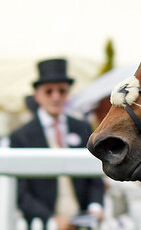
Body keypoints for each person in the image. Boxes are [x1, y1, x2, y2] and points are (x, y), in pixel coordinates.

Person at [9, 58, 105, 229]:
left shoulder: (82, 128)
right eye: (49, 91)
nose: (56, 97)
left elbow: (95, 174)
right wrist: (52, 219)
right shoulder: (21, 136)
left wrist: (95, 208)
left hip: (82, 222)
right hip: (43, 224)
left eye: (62, 91)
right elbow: (21, 193)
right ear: (37, 95)